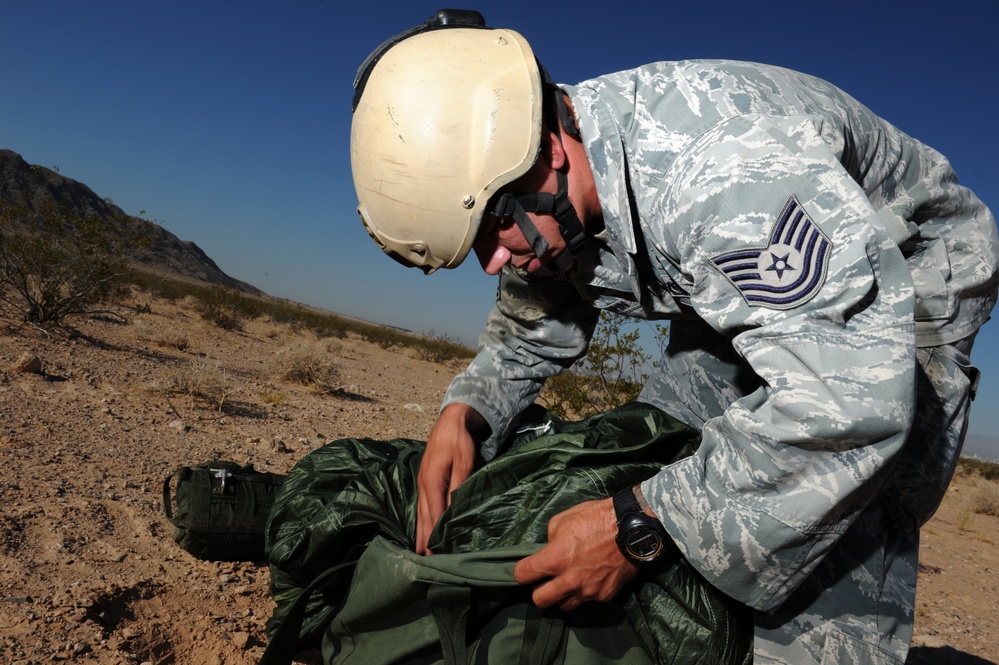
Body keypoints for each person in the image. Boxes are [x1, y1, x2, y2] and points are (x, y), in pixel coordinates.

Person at [349, 9, 999, 665]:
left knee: (831, 516)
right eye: (474, 246)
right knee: (671, 443)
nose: (491, 261)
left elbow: (851, 405)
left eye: (493, 228)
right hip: (734, 274)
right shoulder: (545, 183)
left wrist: (638, 525)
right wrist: (464, 413)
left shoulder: (721, 177)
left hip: (906, 274)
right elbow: (530, 323)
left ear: (547, 152)